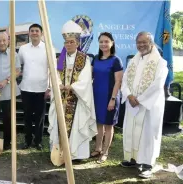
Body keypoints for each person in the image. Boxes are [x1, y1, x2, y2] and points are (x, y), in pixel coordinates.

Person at [120, 32, 168, 178]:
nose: (141, 45)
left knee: (147, 134)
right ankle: (133, 159)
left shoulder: (160, 63)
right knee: (132, 131)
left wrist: (140, 99)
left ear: (151, 43)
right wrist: (129, 95)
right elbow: (125, 80)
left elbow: (157, 85)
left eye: (144, 42)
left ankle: (147, 164)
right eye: (138, 42)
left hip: (149, 106)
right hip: (132, 103)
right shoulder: (133, 61)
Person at [48, 20, 97, 160]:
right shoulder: (60, 59)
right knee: (59, 123)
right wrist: (58, 85)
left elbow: (86, 78)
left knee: (77, 125)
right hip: (61, 97)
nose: (68, 45)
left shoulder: (84, 59)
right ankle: (59, 151)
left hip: (77, 98)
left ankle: (76, 154)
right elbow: (54, 75)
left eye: (71, 42)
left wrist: (72, 87)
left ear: (77, 43)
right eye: (66, 42)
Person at [91, 32, 123, 163]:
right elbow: (89, 76)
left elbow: (118, 82)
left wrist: (113, 99)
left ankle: (105, 152)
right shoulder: (96, 58)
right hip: (97, 96)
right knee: (99, 123)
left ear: (112, 43)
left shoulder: (116, 60)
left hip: (110, 97)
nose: (103, 44)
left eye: (106, 41)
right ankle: (98, 148)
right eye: (101, 42)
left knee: (108, 126)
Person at [17, 23, 49, 150]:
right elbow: (17, 67)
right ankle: (27, 141)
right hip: (26, 88)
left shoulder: (48, 48)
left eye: (37, 31)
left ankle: (38, 142)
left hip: (42, 89)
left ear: (42, 33)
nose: (34, 33)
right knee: (27, 117)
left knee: (40, 118)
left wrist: (50, 88)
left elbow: (52, 70)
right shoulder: (23, 49)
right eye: (32, 31)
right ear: (29, 33)